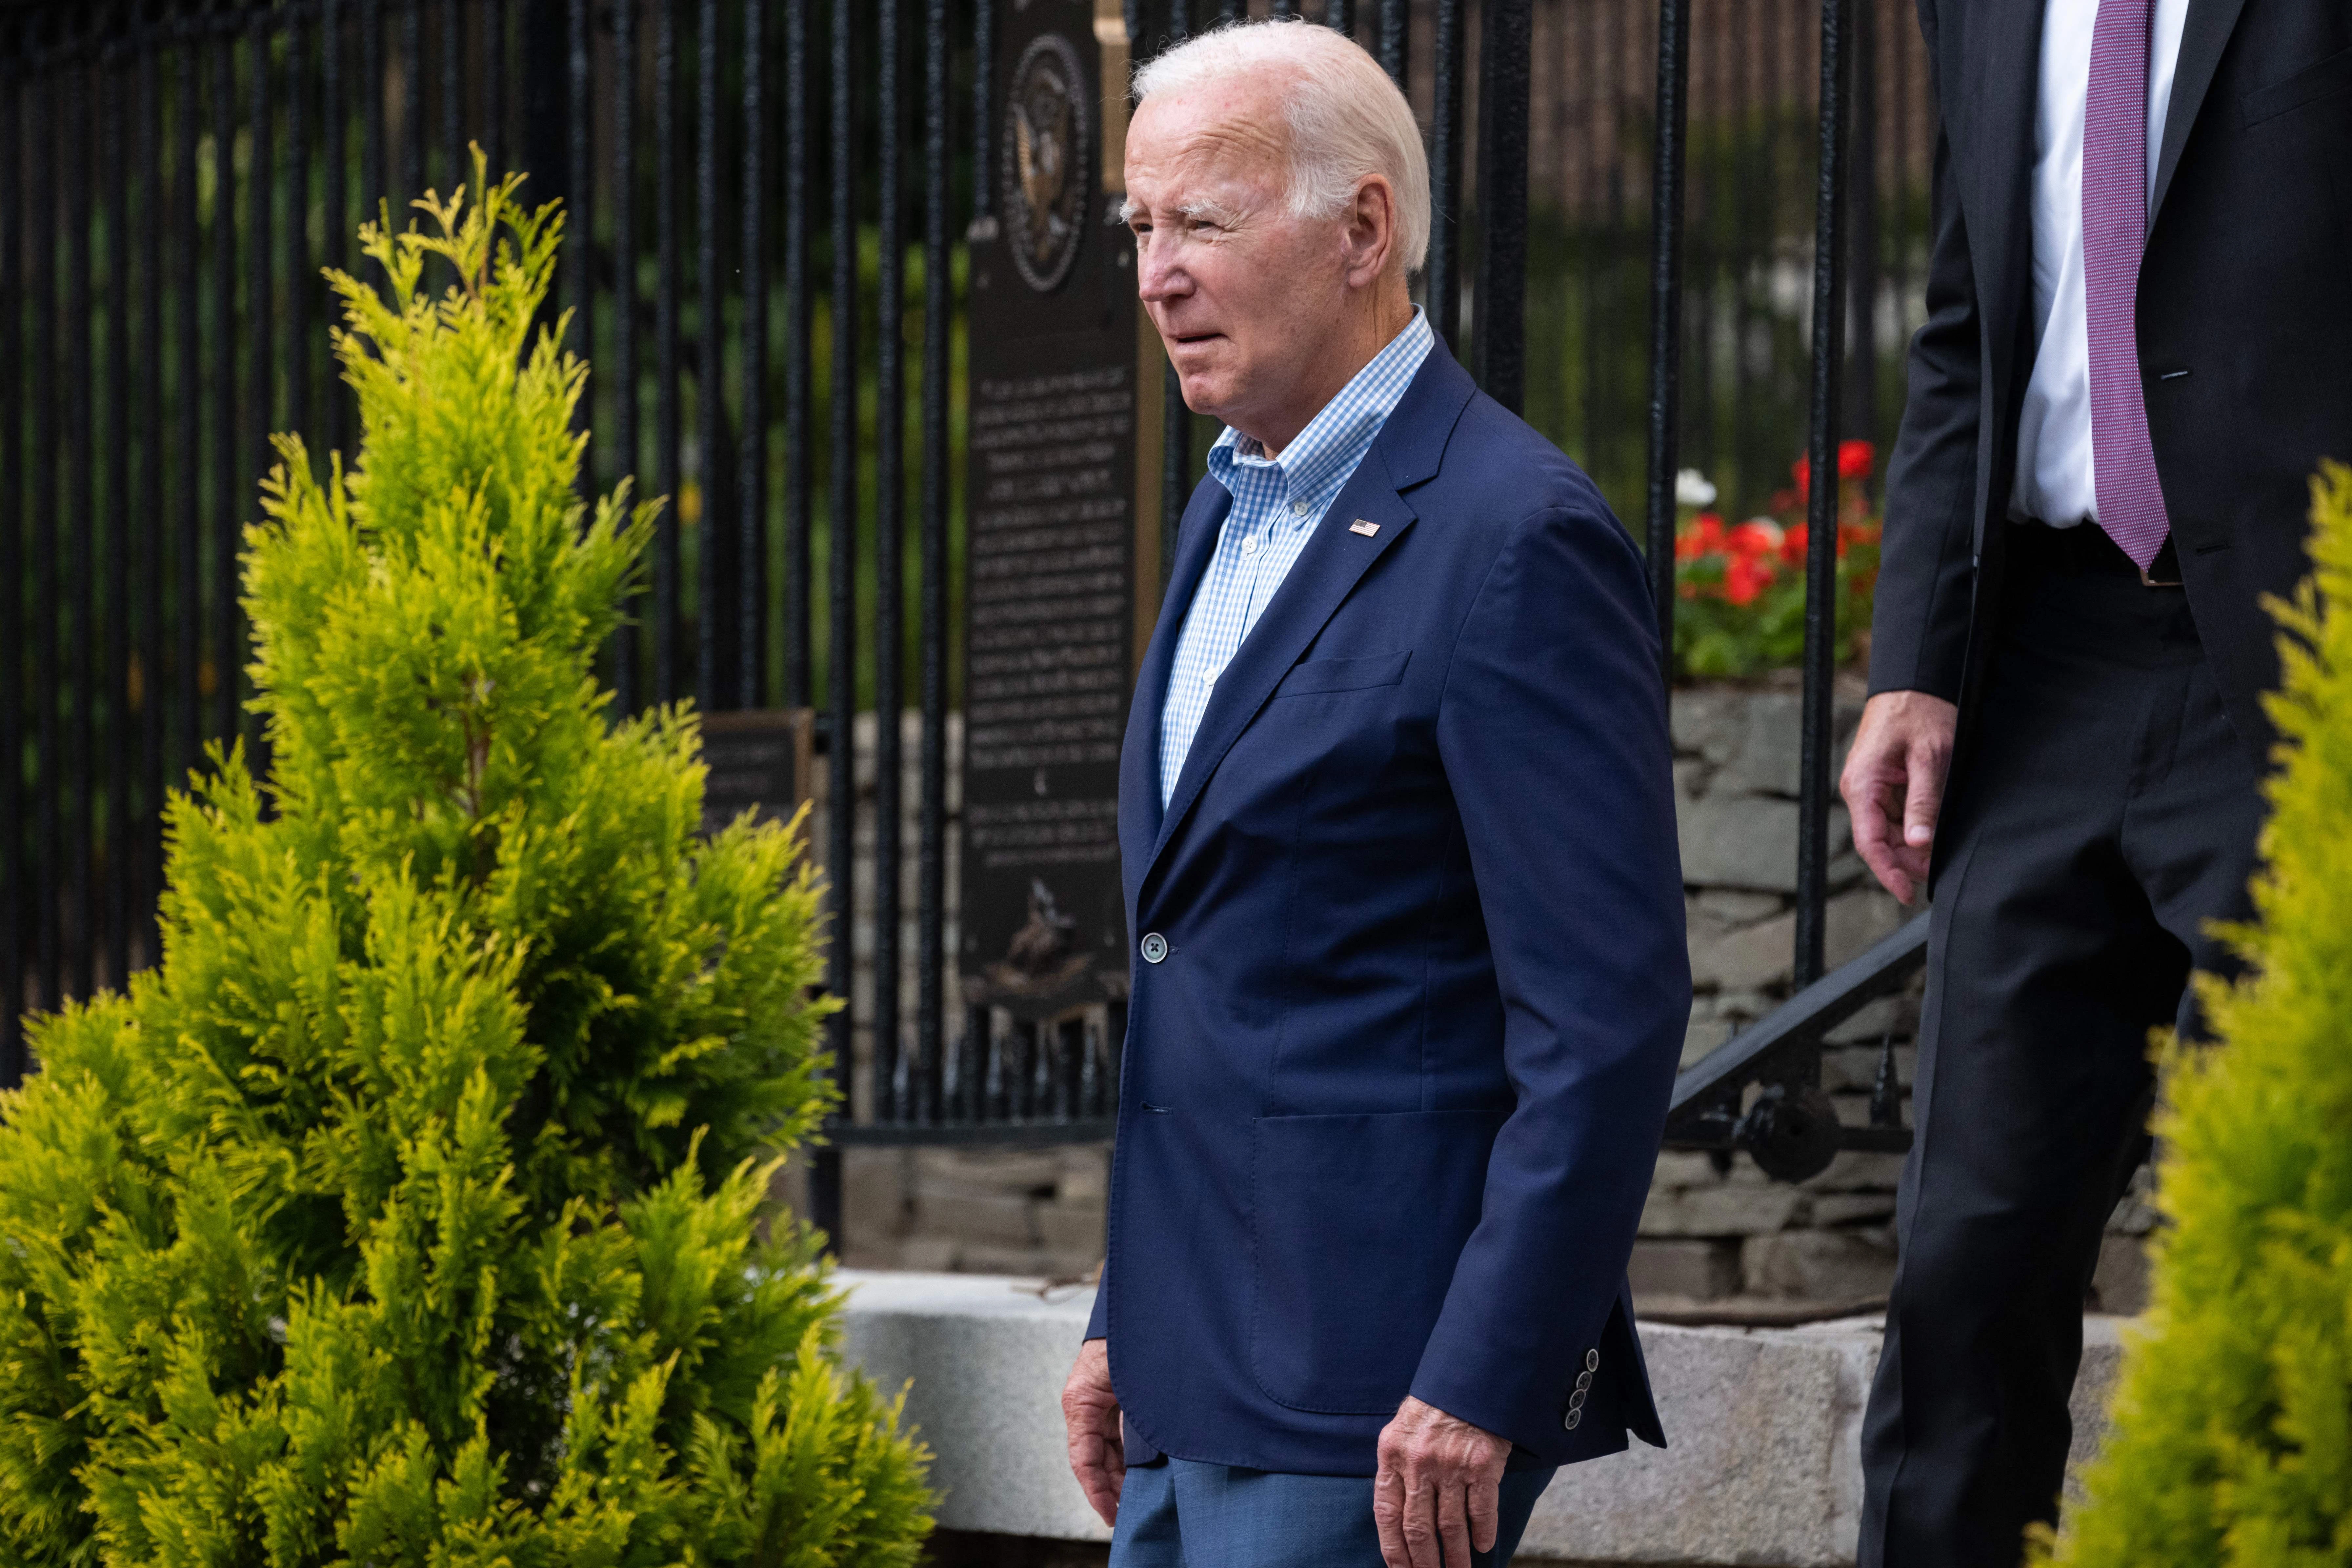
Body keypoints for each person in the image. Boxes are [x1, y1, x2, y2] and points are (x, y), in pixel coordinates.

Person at [1058, 19, 1691, 1568]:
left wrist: (1483, 1377)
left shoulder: (1511, 536)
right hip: (1187, 1380)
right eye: (1139, 227)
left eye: (1201, 220)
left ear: (1363, 231)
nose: (1155, 274)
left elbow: (1602, 1016)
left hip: (1383, 1410)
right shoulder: (1226, 511)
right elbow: (1211, 970)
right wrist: (1114, 1319)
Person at [1842, 0, 2352, 1561]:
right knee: (1963, 1269)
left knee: (2277, 1241)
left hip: (2299, 650)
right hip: (2045, 664)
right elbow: (1963, 323)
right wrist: (1911, 659)